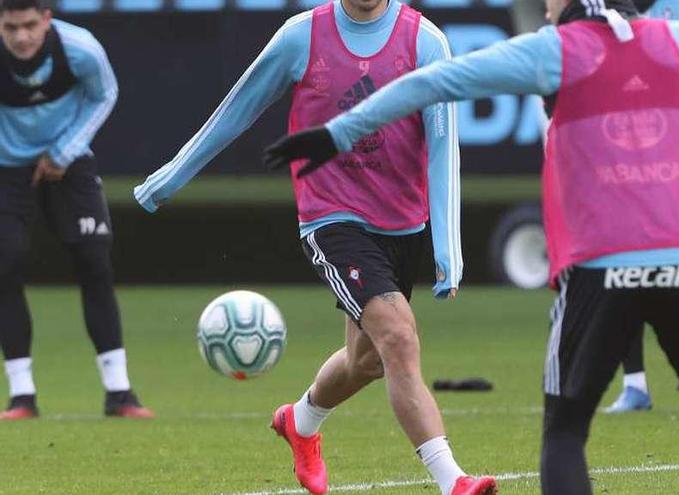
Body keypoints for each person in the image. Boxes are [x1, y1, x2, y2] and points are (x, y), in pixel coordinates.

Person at [263, 0, 679, 493]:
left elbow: (434, 83)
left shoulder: (556, 48)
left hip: (599, 269)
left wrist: (339, 131)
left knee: (566, 432)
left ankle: (317, 423)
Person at [133, 1, 495, 494]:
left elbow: (442, 142)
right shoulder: (300, 37)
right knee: (399, 339)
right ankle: (453, 480)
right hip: (331, 217)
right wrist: (168, 180)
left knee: (366, 361)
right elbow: (235, 110)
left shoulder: (425, 40)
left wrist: (447, 248)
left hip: (403, 224)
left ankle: (299, 422)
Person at [0, 0, 153, 420]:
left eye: (30, 25)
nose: (21, 36)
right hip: (6, 167)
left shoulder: (80, 48)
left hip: (68, 161)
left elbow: (105, 93)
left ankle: (119, 393)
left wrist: (64, 150)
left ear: (47, 19)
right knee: (5, 265)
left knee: (94, 262)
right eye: (11, 27)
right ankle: (22, 396)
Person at [605, 0, 679, 414]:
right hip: (616, 155)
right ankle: (635, 385)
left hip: (673, 153)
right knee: (617, 269)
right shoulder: (605, 6)